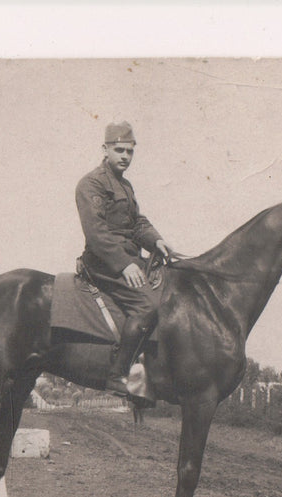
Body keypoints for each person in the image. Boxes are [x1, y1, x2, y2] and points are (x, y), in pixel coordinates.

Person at [76, 121, 174, 397]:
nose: (125, 157)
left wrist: (157, 240)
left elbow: (137, 223)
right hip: (103, 262)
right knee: (147, 305)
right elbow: (96, 233)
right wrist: (125, 264)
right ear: (104, 149)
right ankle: (117, 374)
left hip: (129, 258)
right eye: (119, 150)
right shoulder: (91, 183)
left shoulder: (125, 186)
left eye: (130, 152)